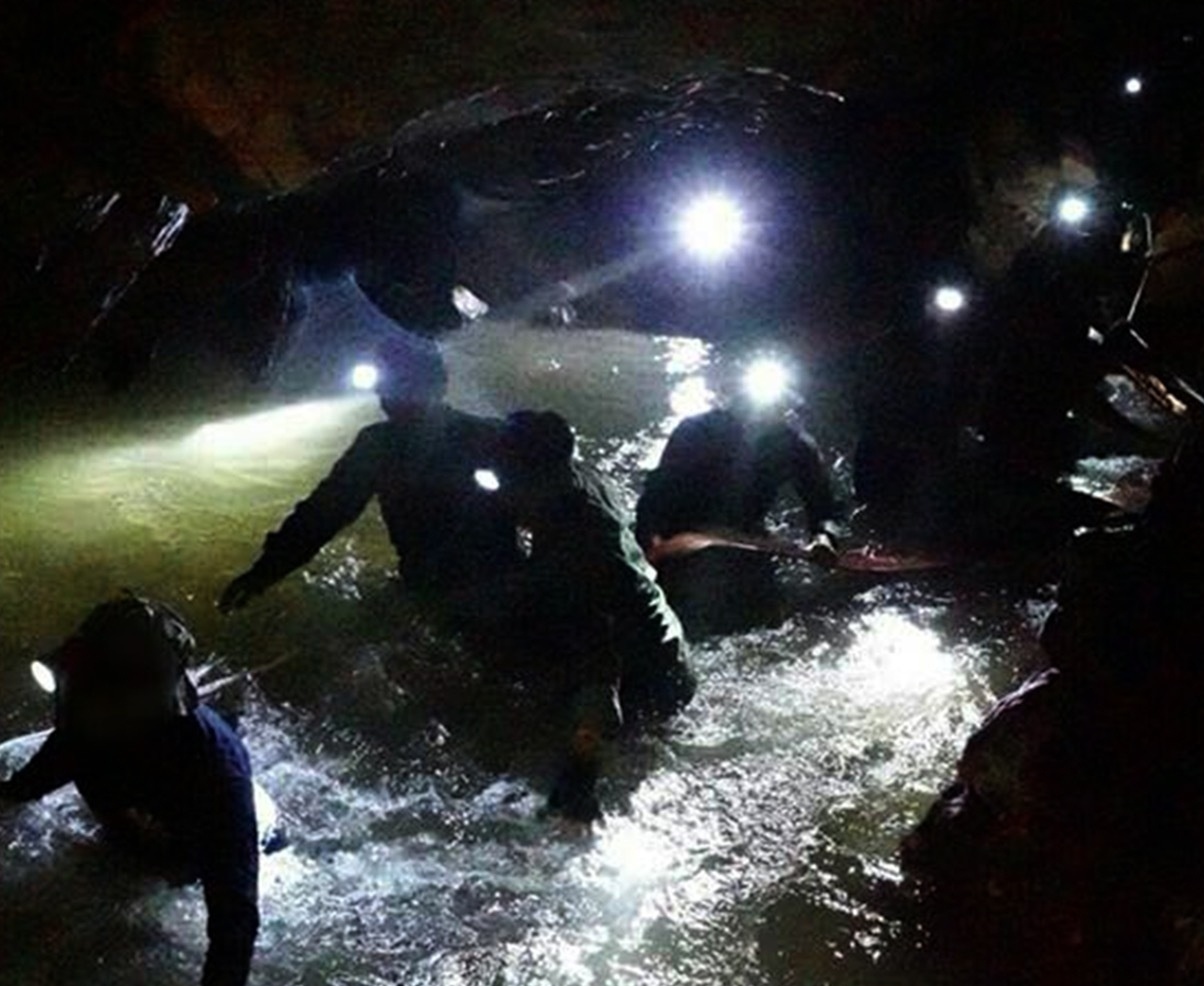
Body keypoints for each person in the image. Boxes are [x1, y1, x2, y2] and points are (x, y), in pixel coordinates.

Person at [0, 594, 269, 986]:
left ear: (143, 700)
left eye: (102, 691)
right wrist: (2, 801)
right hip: (136, 828)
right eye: (82, 684)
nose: (81, 700)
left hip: (205, 855)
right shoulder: (84, 720)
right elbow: (48, 769)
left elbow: (235, 911)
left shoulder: (214, 771)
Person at [217, 337, 523, 621]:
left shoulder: (389, 446)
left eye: (400, 383)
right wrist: (263, 574)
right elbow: (322, 514)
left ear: (437, 386)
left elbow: (324, 514)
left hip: (473, 589)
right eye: (386, 383)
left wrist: (262, 574)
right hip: (460, 588)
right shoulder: (483, 435)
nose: (387, 394)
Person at [491, 410, 696, 822]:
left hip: (648, 676)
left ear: (529, 476)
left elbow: (601, 684)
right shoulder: (579, 477)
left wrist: (577, 782)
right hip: (667, 648)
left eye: (505, 474)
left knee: (591, 783)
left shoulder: (578, 552)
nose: (501, 484)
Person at [634, 385, 846, 635]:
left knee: (766, 622)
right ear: (734, 404)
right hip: (683, 528)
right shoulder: (695, 430)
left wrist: (823, 539)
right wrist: (652, 546)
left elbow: (823, 506)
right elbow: (655, 495)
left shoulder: (795, 445)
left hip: (744, 535)